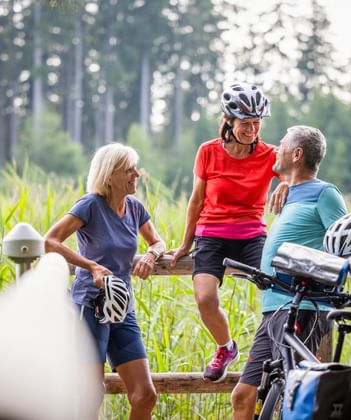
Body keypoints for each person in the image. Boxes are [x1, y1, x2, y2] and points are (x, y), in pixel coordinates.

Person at [170, 82, 288, 382]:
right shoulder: (208, 151)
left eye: (257, 123)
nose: (252, 130)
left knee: (279, 287)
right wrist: (186, 243)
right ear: (228, 122)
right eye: (246, 124)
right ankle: (226, 347)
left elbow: (297, 173)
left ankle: (279, 352)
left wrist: (286, 182)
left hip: (252, 235)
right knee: (205, 298)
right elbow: (196, 200)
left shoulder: (269, 154)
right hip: (211, 235)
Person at [231, 125, 348, 419]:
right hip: (274, 307)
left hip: (303, 307)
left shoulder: (325, 194)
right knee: (243, 394)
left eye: (282, 144)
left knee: (292, 398)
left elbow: (345, 245)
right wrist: (285, 184)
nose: (276, 149)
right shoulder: (289, 193)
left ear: (297, 154)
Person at [45, 143, 166, 420]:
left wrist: (150, 255)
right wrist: (91, 266)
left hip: (122, 308)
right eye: (129, 170)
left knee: (145, 395)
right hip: (90, 306)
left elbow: (158, 241)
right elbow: (49, 241)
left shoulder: (135, 208)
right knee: (90, 395)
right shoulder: (90, 205)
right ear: (110, 176)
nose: (137, 174)